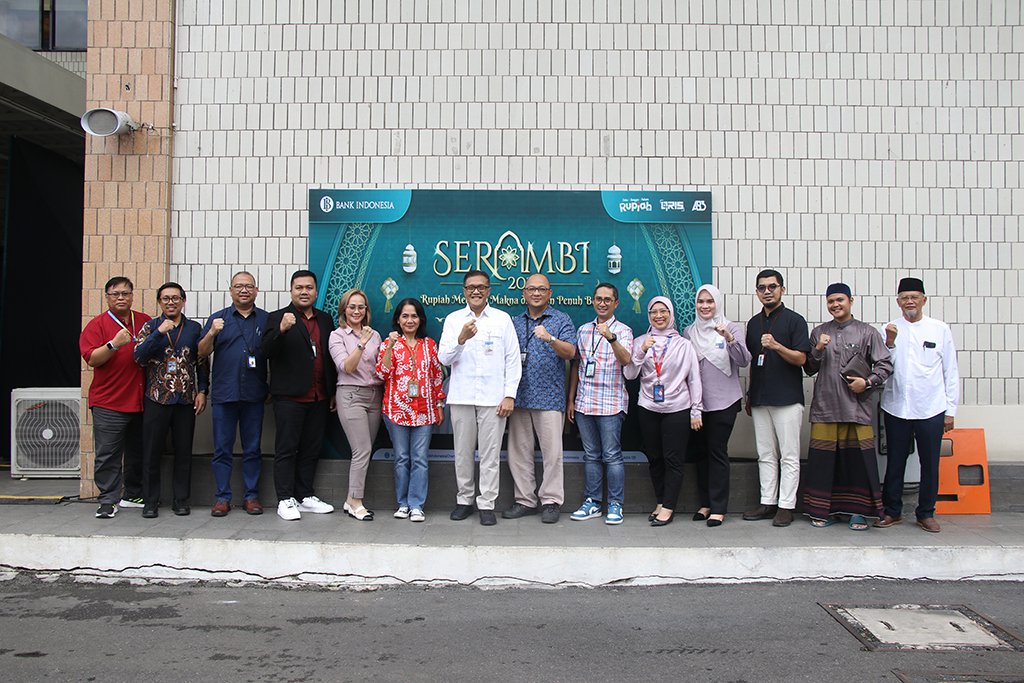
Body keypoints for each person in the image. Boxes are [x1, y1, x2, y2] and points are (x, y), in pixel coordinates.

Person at [802, 283, 892, 530]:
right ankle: (823, 511)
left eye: (840, 300)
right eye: (830, 301)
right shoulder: (819, 332)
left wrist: (868, 382)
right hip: (825, 407)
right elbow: (809, 368)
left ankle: (858, 513)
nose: (835, 305)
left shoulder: (867, 332)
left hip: (856, 408)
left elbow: (885, 364)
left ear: (851, 301)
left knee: (858, 462)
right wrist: (818, 348)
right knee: (824, 464)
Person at [876, 277, 960, 533]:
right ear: (898, 301)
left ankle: (926, 513)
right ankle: (892, 511)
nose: (909, 302)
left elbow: (951, 371)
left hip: (931, 408)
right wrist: (890, 342)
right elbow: (882, 366)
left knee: (930, 463)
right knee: (895, 461)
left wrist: (950, 411)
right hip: (896, 406)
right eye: (904, 298)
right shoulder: (889, 329)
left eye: (914, 297)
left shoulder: (939, 329)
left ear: (924, 299)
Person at [438, 270, 521, 526]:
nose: (476, 291)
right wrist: (461, 339)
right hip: (462, 396)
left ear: (489, 290)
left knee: (490, 454)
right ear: (464, 291)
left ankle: (487, 504)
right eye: (471, 287)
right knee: (462, 453)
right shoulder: (453, 320)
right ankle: (464, 500)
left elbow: (513, 359)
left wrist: (509, 395)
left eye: (481, 287)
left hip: (493, 399)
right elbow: (444, 358)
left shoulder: (502, 319)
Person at [261, 270, 338, 521]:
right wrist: (281, 330)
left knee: (310, 449)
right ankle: (285, 499)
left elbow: (329, 357)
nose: (304, 292)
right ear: (291, 291)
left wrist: (332, 391)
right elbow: (265, 351)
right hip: (289, 397)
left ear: (316, 291)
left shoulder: (325, 319)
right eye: (299, 288)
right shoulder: (277, 317)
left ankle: (304, 496)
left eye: (309, 287)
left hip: (319, 396)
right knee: (286, 449)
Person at [624, 296, 703, 527]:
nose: (658, 316)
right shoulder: (641, 341)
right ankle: (660, 501)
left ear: (671, 314)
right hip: (648, 407)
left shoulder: (683, 345)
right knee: (655, 458)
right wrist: (641, 351)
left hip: (677, 407)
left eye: (663, 311)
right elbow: (630, 374)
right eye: (653, 312)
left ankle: (669, 506)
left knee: (673, 459)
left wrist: (696, 410)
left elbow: (694, 379)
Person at [505, 274, 577, 524]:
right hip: (519, 398)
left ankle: (551, 501)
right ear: (524, 293)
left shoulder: (561, 319)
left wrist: (551, 339)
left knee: (552, 454)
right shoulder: (513, 322)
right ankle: (524, 500)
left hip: (549, 397)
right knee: (519, 452)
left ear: (550, 293)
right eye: (532, 289)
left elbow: (571, 352)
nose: (536, 293)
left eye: (542, 289)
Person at [133, 282, 209, 518]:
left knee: (183, 452)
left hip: (185, 399)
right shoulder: (150, 326)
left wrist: (203, 390)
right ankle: (150, 501)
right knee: (151, 452)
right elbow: (138, 357)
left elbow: (202, 360)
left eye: (175, 298)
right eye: (165, 298)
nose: (171, 302)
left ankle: (181, 500)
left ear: (183, 301)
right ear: (159, 302)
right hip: (157, 398)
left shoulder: (194, 328)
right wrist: (159, 333)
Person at [743, 269, 811, 527]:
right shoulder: (753, 323)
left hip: (787, 399)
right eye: (762, 288)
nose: (767, 291)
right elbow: (753, 361)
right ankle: (767, 501)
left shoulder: (795, 321)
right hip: (760, 398)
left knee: (789, 455)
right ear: (757, 292)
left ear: (782, 289)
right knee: (765, 453)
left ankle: (786, 505)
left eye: (772, 286)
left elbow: (802, 359)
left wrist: (777, 346)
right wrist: (750, 394)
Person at [79, 276, 151, 518]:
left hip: (140, 401)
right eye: (115, 294)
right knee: (108, 455)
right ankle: (108, 500)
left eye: (125, 293)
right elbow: (92, 359)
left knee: (137, 452)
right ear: (107, 297)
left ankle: (133, 495)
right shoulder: (97, 325)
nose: (121, 298)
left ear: (132, 296)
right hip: (109, 403)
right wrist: (113, 344)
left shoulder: (143, 321)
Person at [198, 271, 269, 517]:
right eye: (238, 286)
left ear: (256, 290)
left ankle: (251, 496)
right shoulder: (218, 319)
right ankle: (222, 497)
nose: (244, 290)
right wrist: (211, 333)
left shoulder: (265, 320)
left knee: (253, 449)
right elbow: (201, 353)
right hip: (224, 394)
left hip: (254, 394)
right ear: (230, 290)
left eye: (248, 286)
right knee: (222, 449)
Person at [683, 284, 751, 527]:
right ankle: (706, 503)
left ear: (717, 303)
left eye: (710, 301)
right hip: (697, 405)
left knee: (717, 451)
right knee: (701, 453)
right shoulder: (689, 331)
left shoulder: (730, 327)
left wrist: (728, 338)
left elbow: (744, 360)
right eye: (701, 301)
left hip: (724, 402)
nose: (705, 306)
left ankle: (719, 507)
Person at [567, 283, 634, 525]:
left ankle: (615, 504)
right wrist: (571, 399)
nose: (602, 303)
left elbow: (626, 360)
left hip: (611, 404)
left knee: (612, 455)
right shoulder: (584, 330)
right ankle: (592, 502)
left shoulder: (624, 331)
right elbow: (577, 365)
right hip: (584, 403)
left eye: (607, 299)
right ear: (593, 301)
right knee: (591, 455)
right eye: (598, 299)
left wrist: (611, 338)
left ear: (616, 303)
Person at [377, 298, 446, 522]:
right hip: (396, 410)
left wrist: (439, 405)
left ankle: (416, 505)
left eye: (414, 316)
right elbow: (382, 373)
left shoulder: (429, 345)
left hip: (424, 411)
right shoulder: (389, 343)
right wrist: (390, 345)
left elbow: (437, 376)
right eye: (405, 316)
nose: (409, 320)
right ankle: (403, 503)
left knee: (420, 459)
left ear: (420, 319)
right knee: (401, 458)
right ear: (398, 319)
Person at [328, 288, 384, 522]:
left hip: (374, 395)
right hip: (351, 395)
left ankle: (350, 498)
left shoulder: (375, 335)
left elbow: (382, 368)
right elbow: (347, 367)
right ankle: (356, 502)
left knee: (365, 450)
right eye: (352, 307)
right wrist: (361, 343)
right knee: (361, 450)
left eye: (361, 307)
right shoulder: (337, 335)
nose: (356, 311)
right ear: (344, 309)